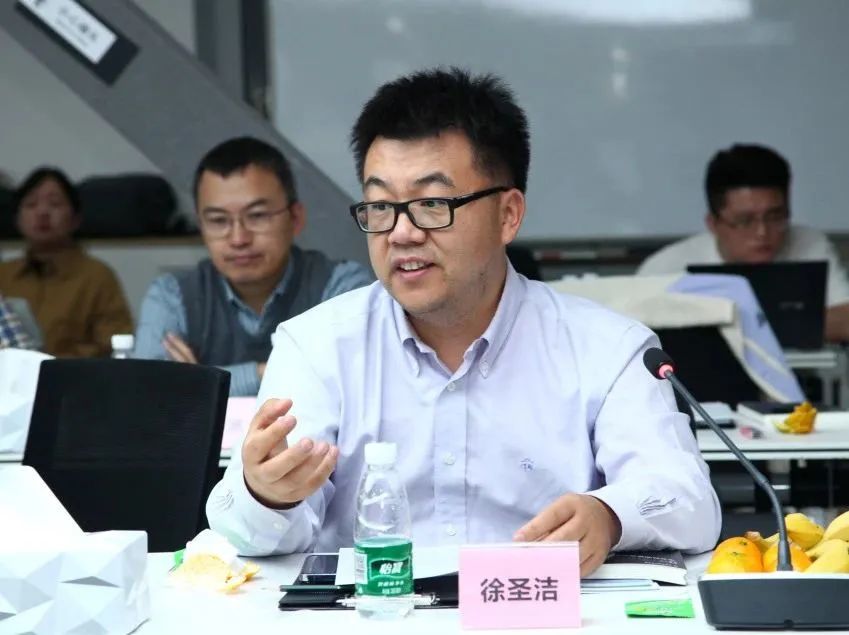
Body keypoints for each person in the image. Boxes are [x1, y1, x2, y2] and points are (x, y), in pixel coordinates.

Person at [207, 68, 721, 575]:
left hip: (542, 612)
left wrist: (609, 517)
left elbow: (690, 500)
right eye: (381, 206)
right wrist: (267, 496)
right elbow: (243, 533)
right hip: (374, 612)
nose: (401, 233)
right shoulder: (316, 346)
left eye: (432, 204)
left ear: (508, 214)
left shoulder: (608, 348)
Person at [133, 137, 373, 396]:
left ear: (295, 218)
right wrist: (268, 372)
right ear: (201, 226)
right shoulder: (171, 295)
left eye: (257, 216)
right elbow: (148, 391)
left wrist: (199, 382)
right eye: (218, 220)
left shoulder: (341, 285)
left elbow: (354, 380)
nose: (239, 239)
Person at [638, 144, 849, 342]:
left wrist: (724, 328)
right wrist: (794, 323)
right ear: (713, 223)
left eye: (775, 217)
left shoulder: (810, 243)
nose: (762, 232)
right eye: (745, 221)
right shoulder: (665, 268)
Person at [0, 168, 132, 357]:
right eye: (31, 204)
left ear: (76, 219)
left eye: (55, 204)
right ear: (17, 219)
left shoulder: (97, 276)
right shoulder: (3, 275)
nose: (42, 212)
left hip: (77, 373)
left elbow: (114, 344)